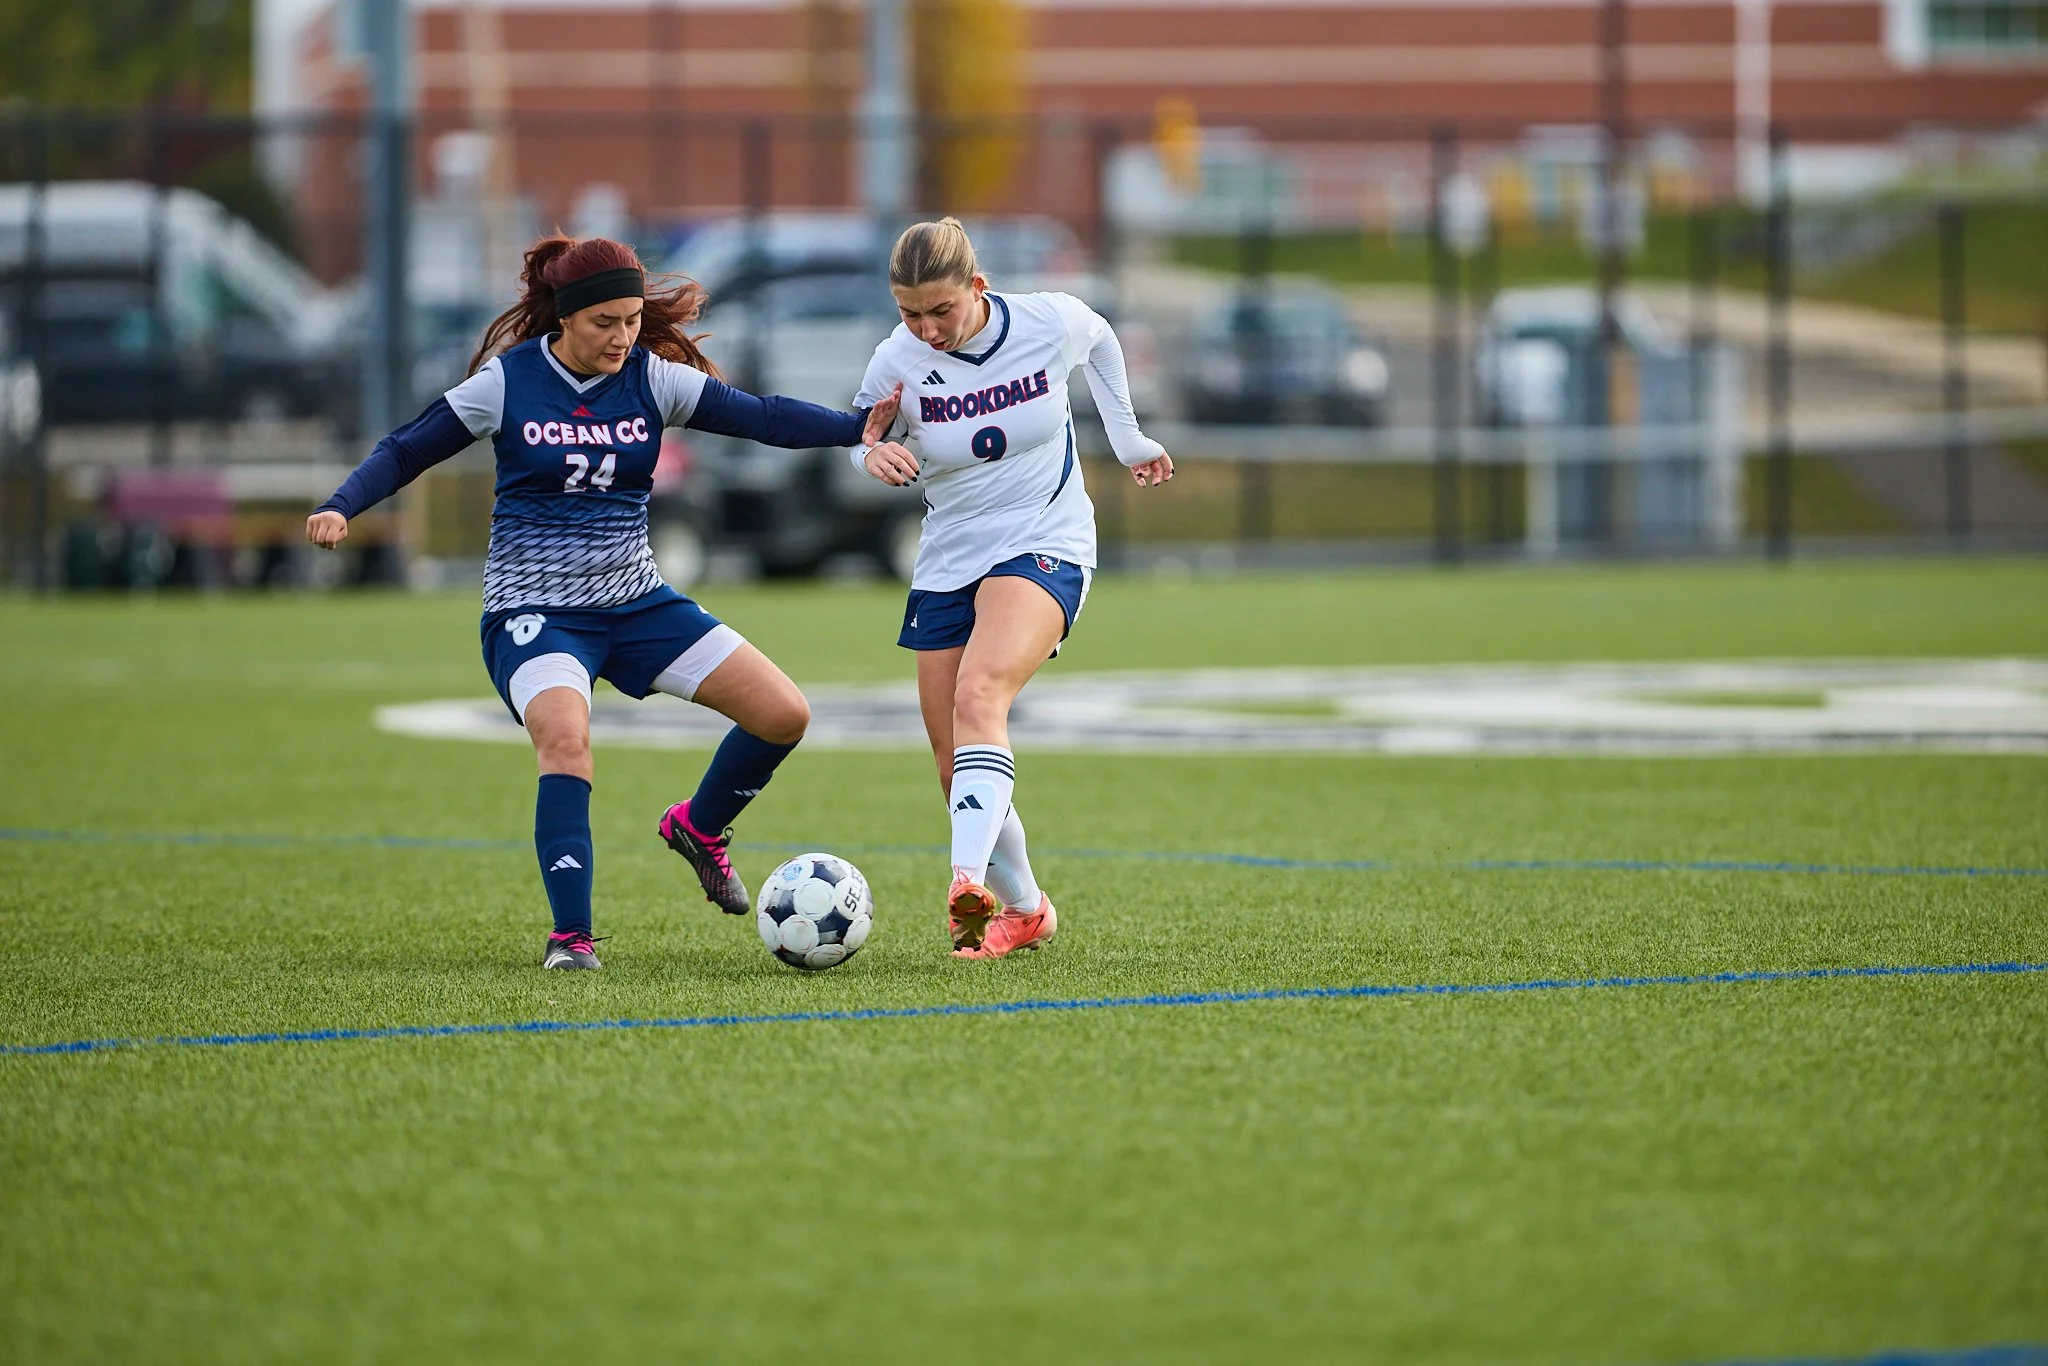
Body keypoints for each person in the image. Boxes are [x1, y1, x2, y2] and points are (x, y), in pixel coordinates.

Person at [307, 235, 901, 971]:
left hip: (637, 603)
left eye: (631, 319)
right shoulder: (508, 383)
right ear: (565, 318)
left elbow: (765, 417)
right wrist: (341, 505)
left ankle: (698, 828)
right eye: (604, 323)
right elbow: (407, 448)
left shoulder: (653, 379)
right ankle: (572, 938)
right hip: (536, 611)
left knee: (784, 714)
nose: (622, 337)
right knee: (565, 742)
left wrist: (858, 429)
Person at [854, 217, 1172, 960]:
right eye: (910, 313)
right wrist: (868, 455)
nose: (927, 329)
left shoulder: (1045, 321)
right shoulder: (896, 357)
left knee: (980, 695)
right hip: (948, 555)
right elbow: (859, 432)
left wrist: (1128, 439)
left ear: (978, 287)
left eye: (942, 310)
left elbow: (1102, 337)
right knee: (952, 762)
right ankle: (1027, 909)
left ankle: (966, 880)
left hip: (1046, 537)